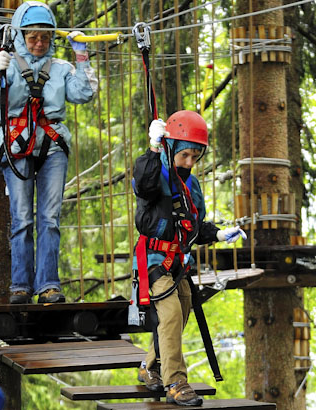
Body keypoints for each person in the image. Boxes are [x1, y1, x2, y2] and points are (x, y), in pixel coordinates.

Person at [0, 1, 98, 304]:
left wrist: (82, 56)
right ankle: (20, 286)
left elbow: (83, 93)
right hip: (17, 146)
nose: (40, 43)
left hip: (52, 146)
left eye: (45, 37)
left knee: (49, 218)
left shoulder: (61, 69)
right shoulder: (6, 63)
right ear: (21, 36)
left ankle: (48, 285)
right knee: (22, 218)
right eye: (33, 37)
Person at [132, 110, 246, 406]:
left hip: (178, 262)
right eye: (185, 156)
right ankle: (175, 382)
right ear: (172, 149)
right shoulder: (155, 172)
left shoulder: (190, 185)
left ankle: (149, 367)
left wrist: (219, 234)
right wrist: (154, 147)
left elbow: (192, 225)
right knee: (168, 315)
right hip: (155, 260)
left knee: (180, 314)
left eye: (195, 156)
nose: (190, 163)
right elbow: (143, 184)